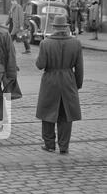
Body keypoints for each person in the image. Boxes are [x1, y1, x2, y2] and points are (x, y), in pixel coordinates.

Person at [35, 15, 84, 155]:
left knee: (47, 113)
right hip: (68, 81)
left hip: (50, 81)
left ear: (54, 28)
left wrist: (42, 49)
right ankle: (64, 146)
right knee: (65, 115)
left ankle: (49, 145)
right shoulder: (76, 43)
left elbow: (40, 65)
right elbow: (79, 68)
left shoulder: (46, 43)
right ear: (66, 27)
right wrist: (77, 85)